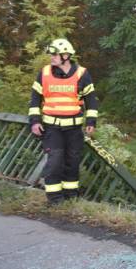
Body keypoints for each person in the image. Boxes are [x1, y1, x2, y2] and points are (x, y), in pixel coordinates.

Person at [28, 38, 98, 204]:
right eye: (51, 54)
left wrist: (91, 122)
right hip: (52, 129)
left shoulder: (82, 74)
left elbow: (91, 101)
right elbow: (35, 100)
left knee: (72, 163)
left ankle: (71, 197)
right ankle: (55, 199)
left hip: (74, 130)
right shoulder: (44, 73)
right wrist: (35, 121)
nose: (52, 57)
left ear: (66, 55)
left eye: (55, 54)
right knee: (54, 163)